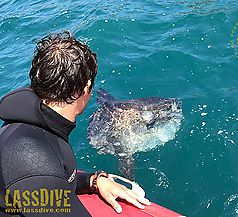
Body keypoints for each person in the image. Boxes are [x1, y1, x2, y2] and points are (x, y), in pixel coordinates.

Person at [0, 31, 151, 216]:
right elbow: (40, 178)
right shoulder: (30, 156)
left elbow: (52, 181)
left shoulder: (30, 129)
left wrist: (93, 181)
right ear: (86, 88)